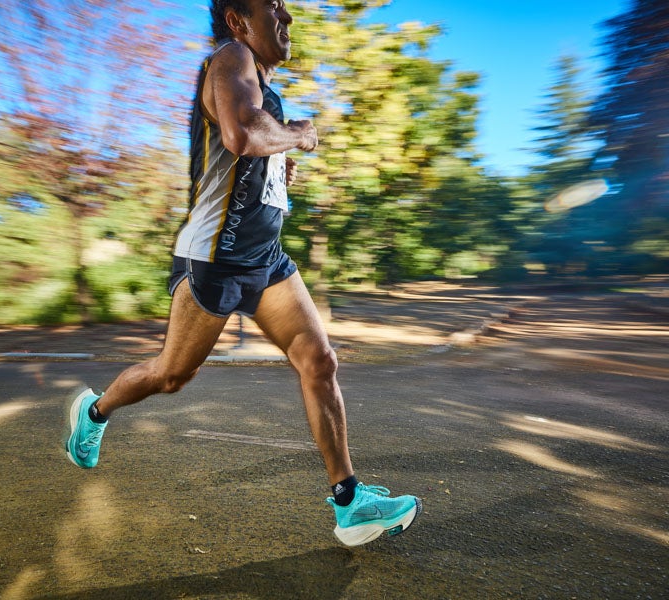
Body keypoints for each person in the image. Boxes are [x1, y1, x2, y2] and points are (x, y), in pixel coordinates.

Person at [66, 0, 421, 547]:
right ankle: (94, 412)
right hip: (213, 258)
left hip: (265, 258)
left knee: (319, 360)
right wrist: (296, 133)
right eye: (273, 7)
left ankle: (349, 504)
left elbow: (250, 146)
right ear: (238, 21)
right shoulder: (230, 58)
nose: (288, 16)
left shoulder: (260, 86)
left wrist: (279, 170)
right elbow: (241, 134)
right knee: (171, 376)